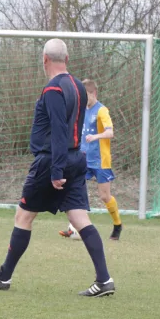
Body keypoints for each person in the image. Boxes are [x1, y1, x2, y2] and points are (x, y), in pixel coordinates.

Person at [0, 39, 115, 297]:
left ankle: (3, 277)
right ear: (67, 59)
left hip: (52, 161)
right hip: (76, 157)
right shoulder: (79, 88)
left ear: (45, 60)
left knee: (23, 216)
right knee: (80, 218)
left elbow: (60, 130)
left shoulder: (53, 89)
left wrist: (56, 170)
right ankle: (104, 280)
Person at [59, 79, 123, 240]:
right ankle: (73, 228)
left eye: (85, 95)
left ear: (94, 93)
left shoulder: (102, 111)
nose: (82, 98)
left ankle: (117, 225)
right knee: (75, 191)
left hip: (101, 160)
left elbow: (110, 133)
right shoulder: (81, 110)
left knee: (104, 196)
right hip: (83, 159)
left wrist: (95, 136)